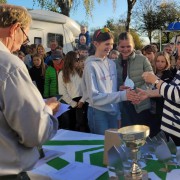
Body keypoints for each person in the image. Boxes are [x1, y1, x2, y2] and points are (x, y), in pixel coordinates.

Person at [0, 4, 59, 179]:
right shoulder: (9, 65)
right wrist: (48, 109)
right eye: (24, 37)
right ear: (15, 28)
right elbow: (35, 133)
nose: (20, 46)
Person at [81, 27, 139, 135]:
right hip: (98, 113)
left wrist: (118, 115)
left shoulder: (112, 64)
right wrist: (123, 95)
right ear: (96, 43)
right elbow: (94, 98)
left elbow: (111, 91)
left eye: (111, 44)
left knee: (114, 145)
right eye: (107, 44)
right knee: (102, 147)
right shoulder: (90, 66)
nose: (110, 47)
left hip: (113, 112)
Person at [114, 32, 155, 137]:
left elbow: (152, 81)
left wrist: (139, 93)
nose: (125, 49)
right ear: (118, 46)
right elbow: (113, 84)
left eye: (128, 46)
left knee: (141, 136)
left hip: (141, 105)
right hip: (123, 106)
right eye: (122, 46)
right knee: (127, 136)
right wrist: (119, 87)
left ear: (133, 46)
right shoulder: (114, 63)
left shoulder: (142, 59)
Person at [140, 71, 180, 146]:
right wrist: (150, 93)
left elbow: (176, 94)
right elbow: (171, 89)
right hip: (171, 129)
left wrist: (155, 80)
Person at [58, 52, 89, 132]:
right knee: (72, 125)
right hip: (71, 103)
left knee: (84, 125)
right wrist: (73, 104)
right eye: (77, 59)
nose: (78, 61)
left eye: (79, 59)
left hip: (84, 101)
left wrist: (83, 100)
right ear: (70, 60)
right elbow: (62, 92)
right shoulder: (62, 74)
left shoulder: (82, 71)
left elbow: (88, 87)